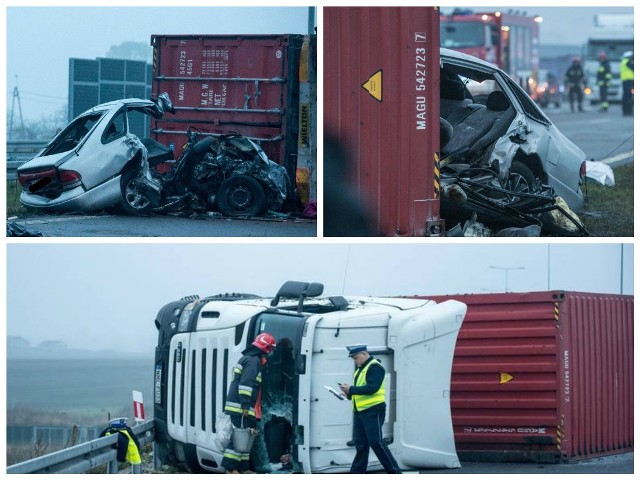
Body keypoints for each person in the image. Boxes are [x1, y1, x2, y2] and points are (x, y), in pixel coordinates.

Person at [339, 345, 402, 474]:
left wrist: (351, 389)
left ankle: (395, 472)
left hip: (373, 411)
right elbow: (361, 390)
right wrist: (348, 394)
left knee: (376, 442)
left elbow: (372, 388)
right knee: (360, 445)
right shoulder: (360, 369)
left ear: (364, 353)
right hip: (360, 412)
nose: (355, 361)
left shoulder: (375, 367)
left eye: (356, 358)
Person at [221, 332, 276, 474]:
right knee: (240, 438)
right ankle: (230, 469)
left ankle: (243, 468)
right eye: (270, 349)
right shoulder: (253, 361)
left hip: (246, 408)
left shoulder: (249, 358)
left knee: (246, 438)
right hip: (241, 408)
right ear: (267, 349)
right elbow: (246, 384)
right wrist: (245, 405)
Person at [620, 51, 634, 116]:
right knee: (629, 97)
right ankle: (629, 111)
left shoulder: (623, 61)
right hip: (629, 82)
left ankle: (625, 111)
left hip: (625, 82)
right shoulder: (628, 62)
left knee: (626, 96)